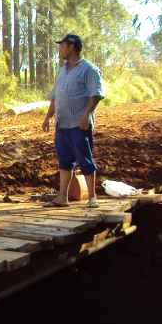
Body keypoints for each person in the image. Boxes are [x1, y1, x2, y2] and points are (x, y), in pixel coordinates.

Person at [41, 34, 105, 208]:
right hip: (62, 123)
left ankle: (92, 197)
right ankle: (62, 197)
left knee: (85, 159)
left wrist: (86, 115)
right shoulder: (62, 71)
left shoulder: (89, 70)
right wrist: (48, 117)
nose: (60, 50)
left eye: (62, 46)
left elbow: (96, 94)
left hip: (79, 123)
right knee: (64, 161)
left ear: (72, 47)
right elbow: (55, 97)